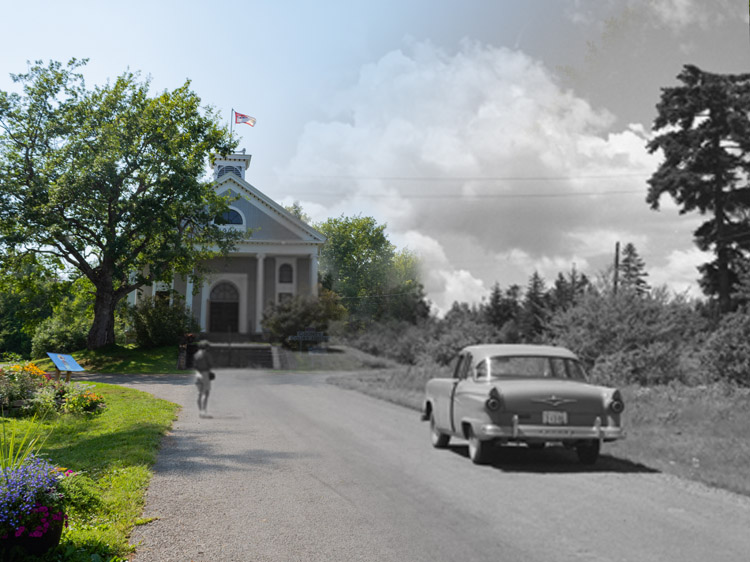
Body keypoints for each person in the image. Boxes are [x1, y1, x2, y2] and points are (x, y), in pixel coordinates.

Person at [193, 340, 214, 417]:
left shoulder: (196, 355)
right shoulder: (206, 354)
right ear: (206, 347)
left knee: (199, 393)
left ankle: (200, 411)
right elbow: (210, 364)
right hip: (205, 374)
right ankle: (203, 411)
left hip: (197, 374)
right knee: (206, 393)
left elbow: (195, 366)